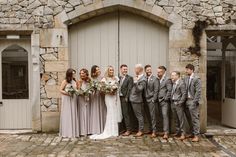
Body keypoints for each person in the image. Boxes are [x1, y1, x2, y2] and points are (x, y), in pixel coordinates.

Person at [90, 66, 122, 139]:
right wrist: (108, 91)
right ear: (108, 71)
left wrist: (114, 91)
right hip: (108, 97)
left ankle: (115, 131)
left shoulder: (116, 78)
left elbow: (118, 88)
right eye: (110, 70)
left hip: (114, 97)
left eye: (112, 70)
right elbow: (102, 90)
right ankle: (109, 130)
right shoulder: (104, 79)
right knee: (110, 112)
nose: (111, 71)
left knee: (114, 112)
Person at [59, 68, 80, 138]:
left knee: (73, 113)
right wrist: (67, 93)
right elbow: (60, 90)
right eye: (73, 73)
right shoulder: (65, 81)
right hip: (67, 99)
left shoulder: (74, 81)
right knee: (67, 114)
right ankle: (67, 132)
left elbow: (77, 89)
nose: (74, 75)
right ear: (69, 74)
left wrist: (76, 91)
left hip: (73, 99)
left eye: (74, 73)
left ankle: (73, 131)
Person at [184, 64, 201, 142]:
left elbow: (198, 91)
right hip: (186, 101)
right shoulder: (186, 78)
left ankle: (197, 135)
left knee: (195, 119)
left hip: (193, 101)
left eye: (187, 70)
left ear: (191, 70)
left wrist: (194, 102)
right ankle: (192, 133)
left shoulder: (197, 79)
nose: (186, 71)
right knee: (189, 118)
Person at [129, 64, 147, 137]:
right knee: (136, 116)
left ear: (139, 70)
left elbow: (140, 89)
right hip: (133, 99)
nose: (135, 70)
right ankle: (137, 129)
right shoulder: (137, 77)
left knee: (139, 116)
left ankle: (141, 130)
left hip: (137, 100)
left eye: (135, 69)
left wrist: (136, 82)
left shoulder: (143, 79)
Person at [90, 65, 106, 134]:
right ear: (94, 71)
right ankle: (96, 128)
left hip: (101, 95)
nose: (99, 70)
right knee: (95, 110)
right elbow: (90, 88)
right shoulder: (91, 79)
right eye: (97, 70)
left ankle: (103, 127)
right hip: (94, 96)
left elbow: (104, 87)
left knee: (102, 109)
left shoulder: (102, 78)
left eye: (99, 69)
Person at [170, 71, 187, 140]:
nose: (172, 77)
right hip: (173, 103)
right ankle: (178, 132)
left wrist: (180, 103)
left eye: (173, 75)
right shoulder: (174, 83)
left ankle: (183, 134)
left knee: (181, 119)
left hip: (178, 104)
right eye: (171, 75)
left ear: (177, 76)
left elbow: (184, 94)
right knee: (176, 119)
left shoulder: (181, 83)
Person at [157, 66, 172, 139]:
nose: (158, 73)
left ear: (163, 72)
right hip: (158, 101)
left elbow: (169, 90)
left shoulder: (167, 80)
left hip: (164, 102)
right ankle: (163, 131)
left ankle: (166, 132)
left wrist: (165, 99)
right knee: (161, 116)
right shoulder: (158, 79)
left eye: (159, 72)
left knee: (165, 116)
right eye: (157, 72)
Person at [144, 65, 160, 138]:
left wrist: (154, 99)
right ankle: (150, 129)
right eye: (147, 70)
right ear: (145, 71)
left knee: (153, 116)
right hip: (145, 100)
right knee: (148, 115)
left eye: (150, 70)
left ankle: (154, 131)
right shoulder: (144, 78)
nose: (149, 71)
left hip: (151, 100)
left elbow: (156, 90)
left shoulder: (155, 79)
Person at [119, 64, 134, 136]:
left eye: (126, 69)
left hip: (124, 98)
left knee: (126, 114)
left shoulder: (129, 78)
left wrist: (127, 97)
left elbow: (130, 88)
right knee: (120, 114)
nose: (125, 70)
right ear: (121, 69)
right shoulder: (119, 78)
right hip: (118, 98)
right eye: (124, 69)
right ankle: (123, 129)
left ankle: (128, 130)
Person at [77, 68, 92, 136]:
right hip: (81, 99)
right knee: (82, 114)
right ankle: (82, 131)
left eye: (83, 73)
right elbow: (77, 90)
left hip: (87, 99)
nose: (81, 74)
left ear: (86, 74)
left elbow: (91, 88)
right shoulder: (79, 81)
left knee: (87, 113)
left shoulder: (89, 81)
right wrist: (82, 93)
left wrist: (88, 93)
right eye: (80, 73)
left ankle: (88, 130)